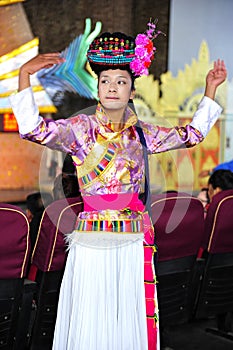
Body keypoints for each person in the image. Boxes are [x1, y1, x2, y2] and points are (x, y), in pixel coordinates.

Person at [9, 19, 227, 350]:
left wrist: (210, 89)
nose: (112, 86)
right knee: (91, 309)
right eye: (106, 80)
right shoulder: (79, 128)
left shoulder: (144, 133)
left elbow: (191, 135)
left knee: (125, 309)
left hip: (131, 236)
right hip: (92, 236)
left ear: (131, 90)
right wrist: (24, 74)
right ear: (97, 88)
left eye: (120, 81)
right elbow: (34, 130)